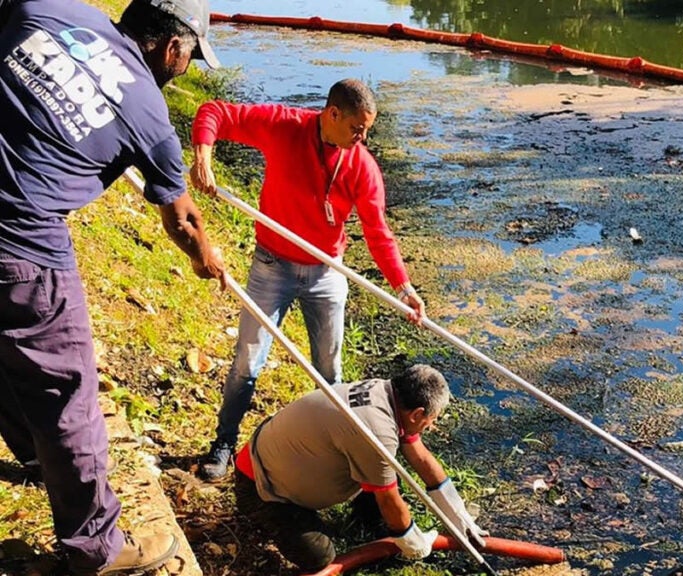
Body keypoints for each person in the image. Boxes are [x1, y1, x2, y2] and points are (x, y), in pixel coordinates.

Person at [0, 0, 224, 574]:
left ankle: (30, 451)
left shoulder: (48, 7)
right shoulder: (149, 114)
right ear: (172, 48)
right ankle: (98, 549)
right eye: (191, 57)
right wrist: (206, 258)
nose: (189, 68)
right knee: (70, 397)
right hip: (21, 245)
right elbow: (182, 219)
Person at [190, 78, 427, 481]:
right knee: (247, 362)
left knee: (329, 373)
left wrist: (403, 288)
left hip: (326, 272)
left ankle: (332, 453)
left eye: (368, 129)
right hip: (271, 266)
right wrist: (203, 157)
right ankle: (225, 443)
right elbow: (215, 112)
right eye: (357, 128)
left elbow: (377, 232)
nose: (363, 137)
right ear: (332, 114)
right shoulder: (284, 126)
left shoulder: (361, 165)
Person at [232, 364, 486, 571]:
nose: (432, 426)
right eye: (432, 420)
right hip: (260, 486)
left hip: (277, 456)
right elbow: (389, 500)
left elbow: (421, 459)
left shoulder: (386, 394)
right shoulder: (376, 431)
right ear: (417, 414)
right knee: (318, 556)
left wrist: (458, 514)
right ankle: (265, 517)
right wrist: (414, 544)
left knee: (384, 466)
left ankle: (367, 517)